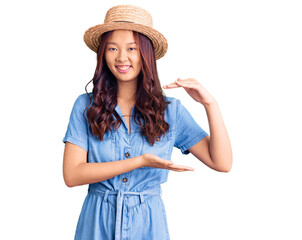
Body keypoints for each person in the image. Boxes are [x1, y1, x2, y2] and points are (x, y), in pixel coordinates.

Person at [62, 5, 232, 240]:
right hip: (96, 223)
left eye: (131, 48)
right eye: (113, 48)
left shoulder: (170, 111)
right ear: (103, 54)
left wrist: (210, 105)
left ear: (146, 54)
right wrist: (139, 161)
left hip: (148, 225)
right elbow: (72, 175)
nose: (122, 57)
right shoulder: (85, 106)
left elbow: (222, 163)